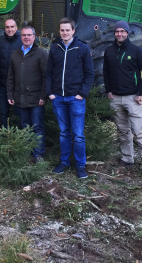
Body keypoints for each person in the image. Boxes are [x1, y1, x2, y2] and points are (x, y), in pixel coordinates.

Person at [103, 20, 142, 177]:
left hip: (133, 98)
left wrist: (140, 93)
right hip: (115, 98)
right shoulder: (109, 51)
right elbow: (106, 72)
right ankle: (127, 159)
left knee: (138, 131)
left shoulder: (136, 51)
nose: (120, 34)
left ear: (127, 33)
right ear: (115, 33)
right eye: (117, 31)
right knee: (123, 131)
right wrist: (109, 90)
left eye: (122, 31)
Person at [46, 17, 94, 179]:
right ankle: (64, 162)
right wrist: (50, 93)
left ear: (73, 31)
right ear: (59, 31)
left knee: (78, 135)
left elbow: (89, 74)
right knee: (64, 133)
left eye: (68, 30)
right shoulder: (55, 48)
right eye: (62, 30)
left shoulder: (82, 48)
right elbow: (49, 73)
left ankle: (80, 166)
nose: (65, 33)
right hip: (58, 98)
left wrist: (82, 93)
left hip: (76, 98)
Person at [7, 25, 48, 162]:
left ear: (34, 37)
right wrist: (10, 95)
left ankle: (38, 154)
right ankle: (27, 152)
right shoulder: (15, 54)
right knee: (25, 127)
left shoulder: (41, 54)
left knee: (37, 127)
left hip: (36, 99)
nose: (26, 37)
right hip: (20, 97)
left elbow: (45, 77)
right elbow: (11, 77)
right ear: (21, 37)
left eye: (29, 35)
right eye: (23, 35)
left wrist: (43, 96)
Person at [0, 18, 22, 128]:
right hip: (2, 84)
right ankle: (4, 137)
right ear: (4, 28)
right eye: (7, 27)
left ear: (16, 28)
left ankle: (18, 137)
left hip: (18, 84)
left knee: (18, 112)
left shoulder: (22, 41)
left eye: (12, 27)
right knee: (3, 111)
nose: (10, 29)